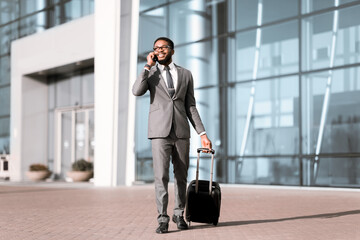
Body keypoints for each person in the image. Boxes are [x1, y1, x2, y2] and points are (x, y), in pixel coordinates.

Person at [132, 37, 212, 234]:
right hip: (159, 132)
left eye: (163, 47)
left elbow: (190, 106)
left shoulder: (185, 74)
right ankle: (162, 219)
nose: (159, 50)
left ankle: (179, 214)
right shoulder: (150, 74)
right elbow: (136, 91)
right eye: (155, 48)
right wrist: (146, 66)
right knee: (161, 176)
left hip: (181, 132)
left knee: (181, 176)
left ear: (172, 50)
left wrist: (202, 133)